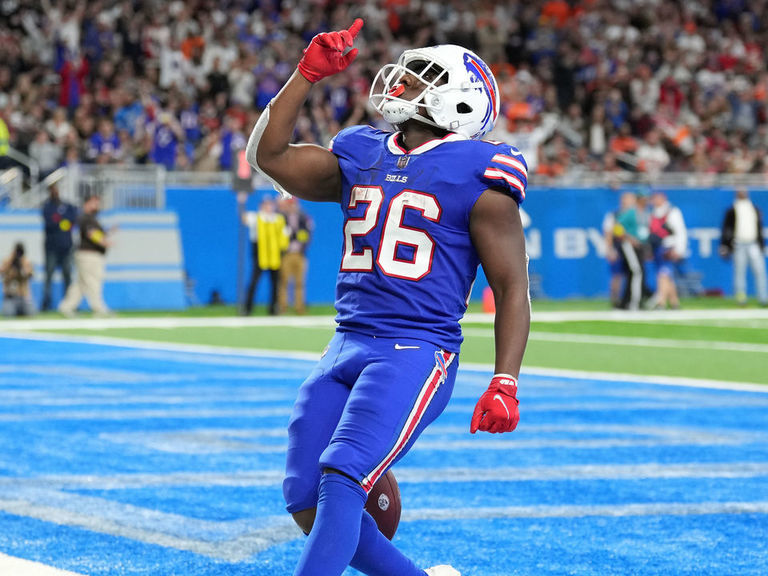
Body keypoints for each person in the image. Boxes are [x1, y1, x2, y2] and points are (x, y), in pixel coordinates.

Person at [245, 19, 529, 576]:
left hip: (416, 349)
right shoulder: (360, 150)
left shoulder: (481, 172)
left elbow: (512, 286)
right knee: (305, 494)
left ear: (462, 104)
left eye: (425, 76)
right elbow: (270, 156)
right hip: (346, 342)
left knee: (344, 475)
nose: (405, 80)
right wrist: (304, 76)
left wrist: (505, 380)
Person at [58, 194, 113, 317]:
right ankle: (98, 307)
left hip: (87, 254)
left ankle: (66, 306)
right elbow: (92, 234)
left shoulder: (89, 218)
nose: (97, 205)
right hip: (89, 255)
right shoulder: (86, 217)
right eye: (94, 202)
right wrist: (105, 242)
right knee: (93, 280)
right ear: (87, 203)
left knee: (81, 283)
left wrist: (107, 233)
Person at [241, 195, 288, 315]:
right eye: (265, 205)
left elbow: (284, 235)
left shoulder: (278, 219)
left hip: (274, 256)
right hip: (259, 256)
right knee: (254, 283)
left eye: (270, 204)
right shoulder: (255, 217)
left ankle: (273, 309)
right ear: (261, 206)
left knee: (275, 284)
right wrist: (242, 202)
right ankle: (247, 309)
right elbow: (244, 218)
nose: (268, 207)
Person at [719, 189, 767, 306]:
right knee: (739, 272)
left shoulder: (754, 209)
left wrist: (762, 244)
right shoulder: (732, 210)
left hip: (753, 243)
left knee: (760, 271)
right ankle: (741, 298)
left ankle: (763, 298)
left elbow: (759, 228)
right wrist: (725, 244)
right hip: (738, 244)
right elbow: (726, 229)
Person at [647, 190, 688, 310]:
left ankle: (661, 301)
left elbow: (680, 231)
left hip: (669, 247)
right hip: (658, 247)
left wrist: (679, 249)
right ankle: (674, 302)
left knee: (663, 273)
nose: (654, 201)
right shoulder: (653, 212)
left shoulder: (672, 211)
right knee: (667, 275)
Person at [41, 184, 78, 311]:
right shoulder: (47, 207)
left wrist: (60, 221)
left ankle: (69, 304)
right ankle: (46, 303)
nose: (55, 192)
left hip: (66, 247)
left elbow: (73, 218)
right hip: (51, 248)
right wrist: (63, 221)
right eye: (52, 190)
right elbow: (51, 223)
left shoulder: (67, 206)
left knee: (67, 275)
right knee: (49, 275)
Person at [278, 196, 313, 314]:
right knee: (284, 281)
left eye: (292, 204)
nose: (291, 206)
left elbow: (307, 235)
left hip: (299, 253)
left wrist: (302, 246)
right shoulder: (281, 217)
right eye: (289, 204)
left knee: (300, 282)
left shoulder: (303, 217)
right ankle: (282, 307)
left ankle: (299, 307)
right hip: (287, 254)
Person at [1, 242, 36, 317]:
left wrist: (22, 264)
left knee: (31, 312)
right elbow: (1, 271)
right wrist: (11, 261)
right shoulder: (7, 261)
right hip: (10, 298)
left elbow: (31, 274)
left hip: (23, 297)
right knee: (8, 313)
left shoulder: (26, 262)